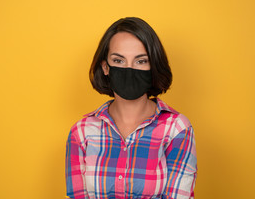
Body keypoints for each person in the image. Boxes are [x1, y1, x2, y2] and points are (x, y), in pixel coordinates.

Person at [65, 17, 197, 199]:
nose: (129, 69)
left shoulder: (177, 129)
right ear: (105, 67)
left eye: (140, 61)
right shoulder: (81, 132)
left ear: (153, 66)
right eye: (118, 61)